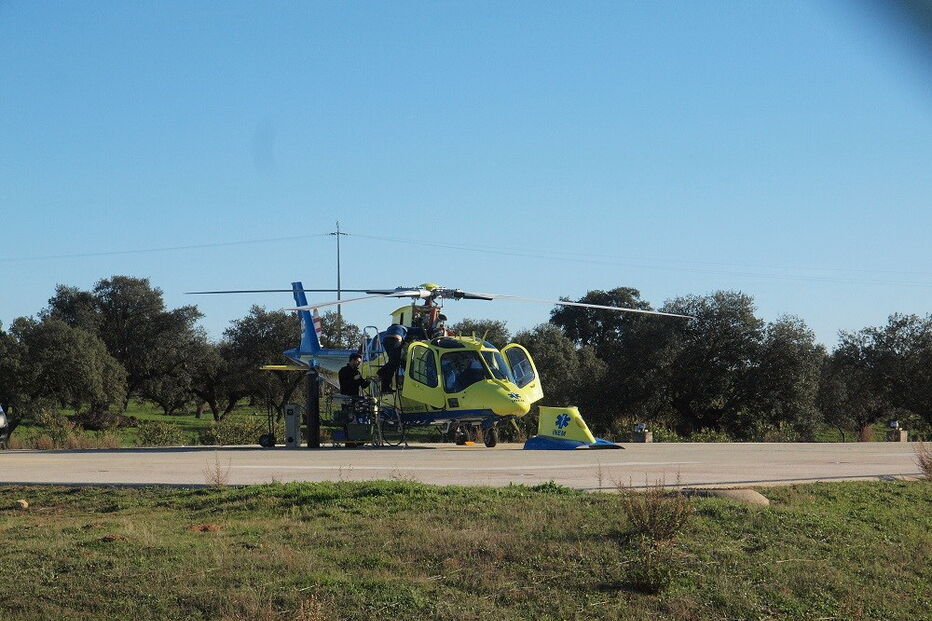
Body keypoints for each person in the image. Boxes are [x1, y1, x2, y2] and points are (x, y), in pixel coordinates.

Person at [377, 323, 407, 393]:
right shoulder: (404, 328)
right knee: (394, 364)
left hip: (385, 341)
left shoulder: (389, 329)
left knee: (392, 362)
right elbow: (418, 330)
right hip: (395, 340)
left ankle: (382, 372)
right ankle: (384, 385)